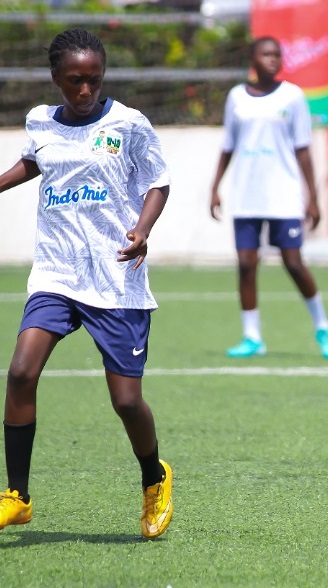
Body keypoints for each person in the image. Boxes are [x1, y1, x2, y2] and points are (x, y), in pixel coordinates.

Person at [0, 28, 173, 539]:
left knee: (125, 401)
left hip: (115, 276)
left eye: (93, 81)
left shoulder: (128, 124)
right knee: (21, 372)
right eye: (74, 80)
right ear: (56, 78)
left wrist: (142, 230)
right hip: (56, 271)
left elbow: (158, 181)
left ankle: (153, 476)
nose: (84, 91)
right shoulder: (40, 120)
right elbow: (36, 160)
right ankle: (18, 495)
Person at [210, 36, 328, 360]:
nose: (273, 59)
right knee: (245, 264)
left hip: (283, 193)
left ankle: (322, 326)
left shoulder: (293, 96)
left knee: (293, 263)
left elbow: (303, 149)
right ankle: (252, 336)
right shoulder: (236, 97)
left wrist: (312, 198)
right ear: (252, 60)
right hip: (246, 194)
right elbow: (228, 145)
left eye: (277, 55)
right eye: (266, 54)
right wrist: (215, 187)